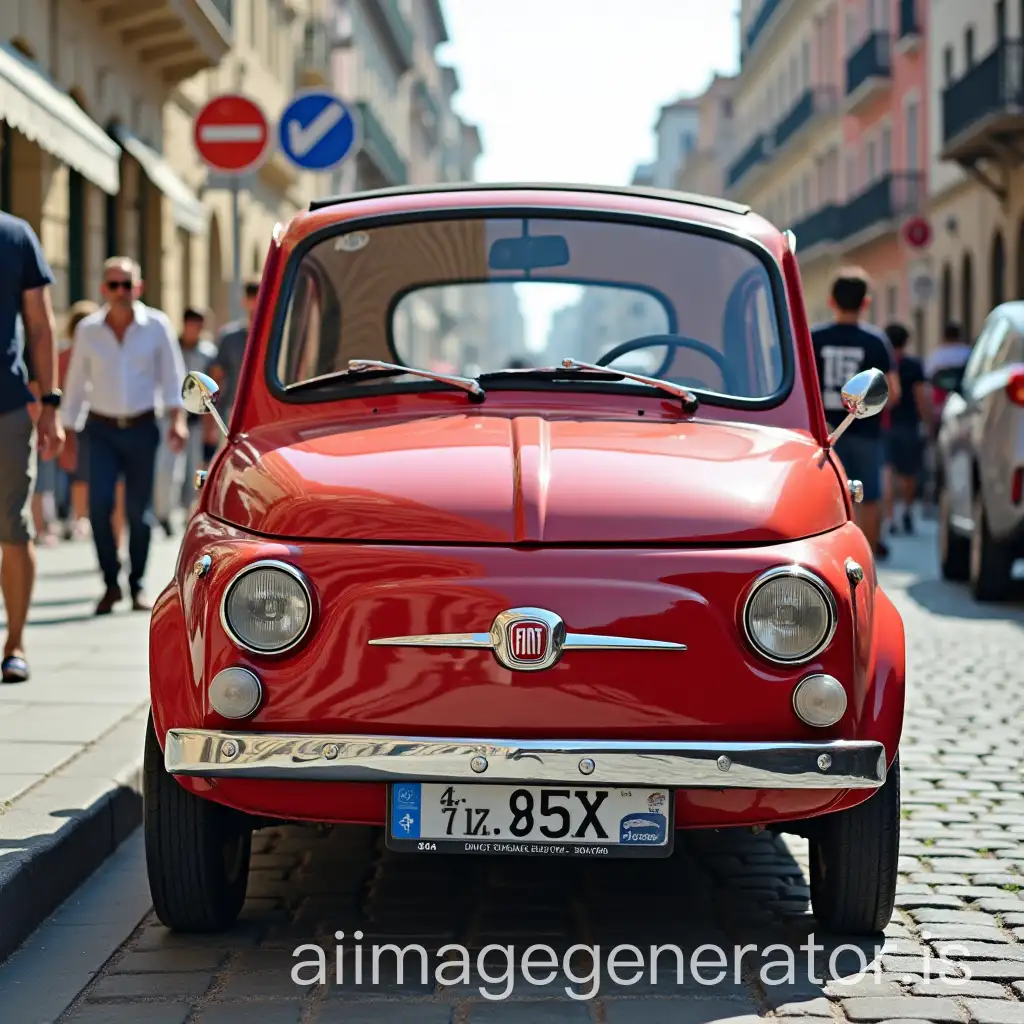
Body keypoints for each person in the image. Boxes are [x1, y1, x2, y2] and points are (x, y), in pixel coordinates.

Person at [62, 257, 187, 615]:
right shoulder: (88, 329)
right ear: (104, 289)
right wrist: (67, 433)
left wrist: (177, 420)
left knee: (138, 512)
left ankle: (137, 585)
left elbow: (171, 375)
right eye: (114, 285)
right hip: (99, 430)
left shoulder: (157, 325)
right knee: (98, 506)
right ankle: (110, 582)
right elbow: (75, 385)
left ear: (139, 287)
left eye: (127, 284)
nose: (121, 292)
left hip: (142, 428)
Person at [0, 212, 64, 683]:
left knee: (11, 524)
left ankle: (15, 642)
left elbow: (40, 325)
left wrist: (51, 406)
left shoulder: (15, 235)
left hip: (7, 405)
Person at [812, 267, 900, 560]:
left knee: (821, 498)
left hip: (821, 434)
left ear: (831, 301)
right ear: (866, 303)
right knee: (869, 499)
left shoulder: (814, 338)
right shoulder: (876, 342)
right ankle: (868, 564)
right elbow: (894, 392)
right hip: (865, 432)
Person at [154, 307, 215, 533]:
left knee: (194, 471)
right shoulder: (172, 348)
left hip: (197, 419)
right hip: (171, 417)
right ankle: (164, 513)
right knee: (167, 469)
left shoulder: (208, 353)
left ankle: (190, 512)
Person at [882, 322, 932, 536]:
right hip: (909, 425)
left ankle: (891, 519)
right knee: (909, 474)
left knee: (887, 473)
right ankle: (907, 511)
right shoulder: (913, 364)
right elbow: (921, 397)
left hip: (883, 426)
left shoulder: (880, 363)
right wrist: (928, 422)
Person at [57, 300, 101, 541]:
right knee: (78, 471)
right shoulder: (66, 355)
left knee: (83, 470)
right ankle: (78, 517)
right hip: (77, 419)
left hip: (89, 418)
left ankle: (81, 516)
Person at [208, 279, 260, 428]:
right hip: (233, 413)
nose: (256, 301)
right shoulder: (229, 337)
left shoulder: (279, 336)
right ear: (245, 301)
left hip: (268, 413)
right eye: (252, 296)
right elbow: (216, 377)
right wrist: (211, 420)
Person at [924, 321, 972, 421]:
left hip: (940, 400)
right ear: (960, 336)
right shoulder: (968, 352)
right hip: (964, 397)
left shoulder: (938, 355)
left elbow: (927, 376)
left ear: (944, 337)